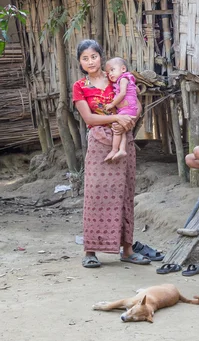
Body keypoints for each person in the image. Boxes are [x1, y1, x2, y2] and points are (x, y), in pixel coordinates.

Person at [72, 39, 150, 268]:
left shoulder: (115, 77)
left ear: (101, 57)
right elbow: (89, 118)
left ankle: (127, 250)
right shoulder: (80, 86)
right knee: (94, 195)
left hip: (123, 136)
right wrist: (117, 118)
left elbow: (134, 103)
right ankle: (90, 252)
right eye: (85, 58)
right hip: (98, 144)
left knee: (124, 194)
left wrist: (129, 121)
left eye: (94, 56)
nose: (90, 62)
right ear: (80, 62)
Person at [103, 57, 138, 162]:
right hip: (126, 110)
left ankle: (114, 150)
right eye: (108, 73)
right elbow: (136, 89)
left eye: (112, 70)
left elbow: (122, 93)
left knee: (116, 129)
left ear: (123, 69)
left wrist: (112, 104)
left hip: (128, 109)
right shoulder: (125, 79)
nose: (110, 74)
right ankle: (122, 149)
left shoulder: (123, 79)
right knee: (120, 129)